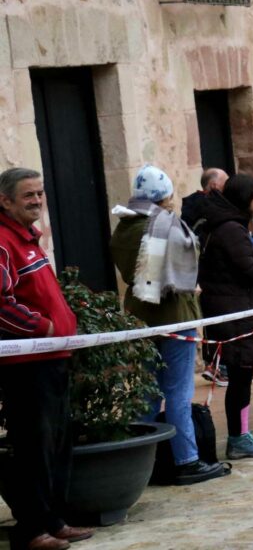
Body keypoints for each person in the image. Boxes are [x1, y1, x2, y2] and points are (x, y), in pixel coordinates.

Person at [110, 164, 229, 485]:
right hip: (174, 315)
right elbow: (182, 262)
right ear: (166, 196)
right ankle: (186, 459)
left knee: (147, 392)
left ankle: (141, 463)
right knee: (178, 390)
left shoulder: (124, 227)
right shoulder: (161, 224)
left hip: (141, 316)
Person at [0, 168, 93, 550]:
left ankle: (54, 520)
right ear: (5, 201)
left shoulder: (29, 239)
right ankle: (32, 528)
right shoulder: (4, 241)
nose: (37, 200)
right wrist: (43, 328)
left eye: (39, 193)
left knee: (56, 443)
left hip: (52, 359)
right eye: (28, 195)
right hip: (27, 365)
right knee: (33, 446)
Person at [197, 173, 253, 460]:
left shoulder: (225, 225)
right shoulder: (231, 229)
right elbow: (252, 270)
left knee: (243, 374)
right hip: (234, 312)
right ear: (246, 198)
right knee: (241, 374)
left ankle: (241, 434)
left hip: (234, 308)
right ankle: (238, 437)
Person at [181, 167, 230, 385]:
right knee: (219, 318)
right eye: (225, 183)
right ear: (213, 186)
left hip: (204, 271)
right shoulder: (206, 209)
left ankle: (216, 364)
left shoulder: (194, 207)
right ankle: (218, 366)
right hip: (207, 270)